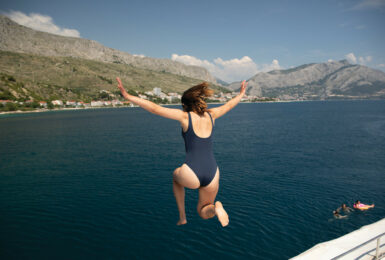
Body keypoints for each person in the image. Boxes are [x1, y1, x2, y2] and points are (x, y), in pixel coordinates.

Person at [116, 77, 248, 227]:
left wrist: (127, 96)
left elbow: (155, 108)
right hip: (213, 172)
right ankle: (216, 208)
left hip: (191, 172)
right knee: (204, 211)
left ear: (185, 104)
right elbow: (229, 105)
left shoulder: (185, 117)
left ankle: (183, 216)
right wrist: (241, 94)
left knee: (175, 176)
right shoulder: (212, 115)